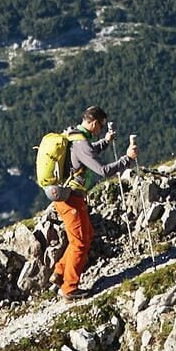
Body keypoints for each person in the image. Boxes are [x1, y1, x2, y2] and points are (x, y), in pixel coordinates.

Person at [34, 105, 127, 298]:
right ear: (93, 123)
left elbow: (85, 154)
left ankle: (59, 273)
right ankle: (69, 288)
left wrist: (105, 142)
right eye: (100, 126)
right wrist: (127, 159)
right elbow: (102, 170)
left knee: (86, 235)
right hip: (71, 199)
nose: (100, 129)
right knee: (80, 243)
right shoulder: (81, 142)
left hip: (68, 196)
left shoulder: (74, 135)